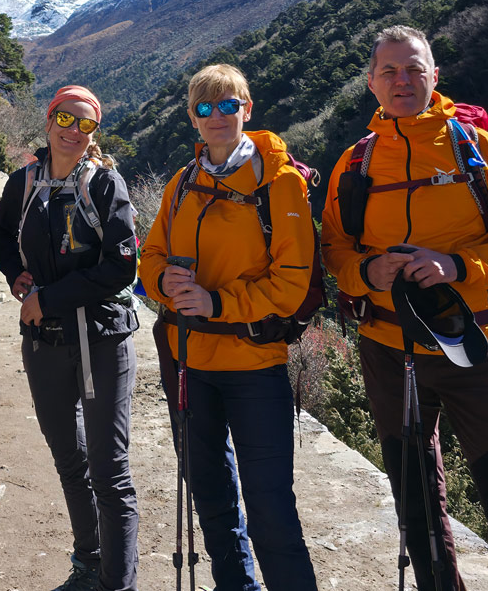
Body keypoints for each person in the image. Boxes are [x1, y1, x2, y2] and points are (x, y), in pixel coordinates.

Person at [321, 25, 488, 591]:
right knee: (417, 510)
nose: (402, 80)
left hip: (476, 352)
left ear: (435, 77)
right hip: (387, 350)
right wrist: (366, 271)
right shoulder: (355, 163)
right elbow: (335, 247)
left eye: (413, 69)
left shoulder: (479, 150)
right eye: (389, 71)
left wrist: (457, 265)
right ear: (371, 83)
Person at [138, 63, 319, 591]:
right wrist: (162, 281)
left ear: (247, 109)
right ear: (192, 118)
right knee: (211, 494)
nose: (216, 116)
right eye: (203, 107)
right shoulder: (183, 181)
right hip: (188, 360)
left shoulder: (280, 183)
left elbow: (289, 284)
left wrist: (215, 302)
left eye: (227, 105)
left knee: (270, 507)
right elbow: (149, 255)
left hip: (254, 364)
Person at [0, 86, 140, 591]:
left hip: (100, 338)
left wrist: (47, 299)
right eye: (64, 119)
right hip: (45, 342)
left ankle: (117, 583)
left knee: (108, 470)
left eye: (85, 124)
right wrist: (16, 278)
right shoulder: (25, 181)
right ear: (49, 118)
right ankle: (89, 562)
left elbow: (122, 267)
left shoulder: (104, 185)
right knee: (69, 459)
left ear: (94, 132)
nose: (72, 131)